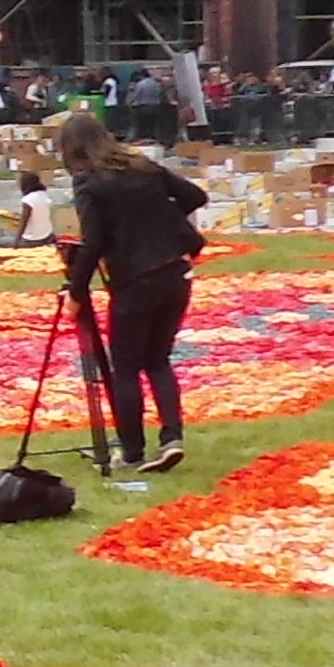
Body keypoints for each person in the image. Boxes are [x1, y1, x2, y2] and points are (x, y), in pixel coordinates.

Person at [54, 107, 205, 476]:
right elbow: (195, 196)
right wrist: (163, 224)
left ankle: (133, 452)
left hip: (134, 281)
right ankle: (172, 437)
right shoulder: (142, 166)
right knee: (157, 359)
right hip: (175, 272)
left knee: (125, 367)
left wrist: (76, 292)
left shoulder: (89, 183)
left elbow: (92, 243)